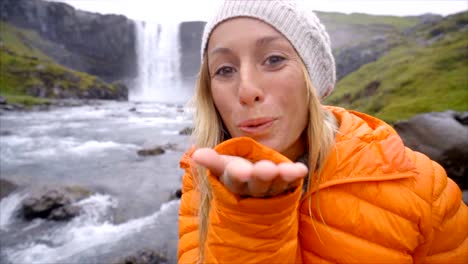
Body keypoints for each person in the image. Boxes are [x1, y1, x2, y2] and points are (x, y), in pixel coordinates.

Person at [177, 1, 468, 263]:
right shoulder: (202, 178)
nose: (247, 90)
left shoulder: (424, 187)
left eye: (274, 59)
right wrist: (249, 221)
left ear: (311, 79)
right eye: (225, 70)